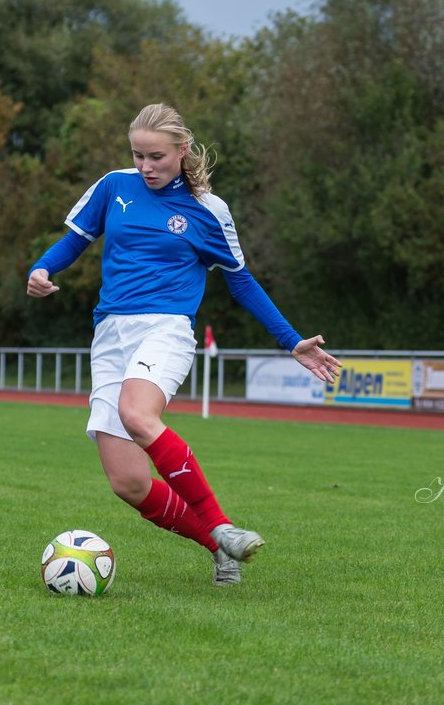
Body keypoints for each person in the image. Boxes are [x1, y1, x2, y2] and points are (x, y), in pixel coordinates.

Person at [27, 103, 341, 586]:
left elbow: (242, 282)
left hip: (167, 329)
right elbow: (75, 239)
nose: (146, 167)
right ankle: (218, 546)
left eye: (156, 157)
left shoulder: (209, 211)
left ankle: (221, 524)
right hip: (110, 335)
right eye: (138, 156)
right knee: (128, 483)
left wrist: (291, 341)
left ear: (182, 151)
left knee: (137, 414)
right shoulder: (114, 186)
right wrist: (43, 268)